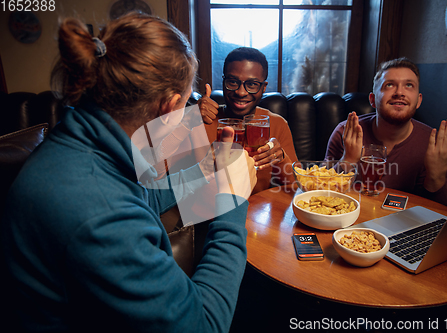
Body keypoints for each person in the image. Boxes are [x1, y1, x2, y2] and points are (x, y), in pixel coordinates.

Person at [1, 13, 256, 332]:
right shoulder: (97, 215)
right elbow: (203, 325)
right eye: (186, 105)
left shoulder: (82, 142)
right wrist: (233, 198)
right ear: (169, 107)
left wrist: (207, 173)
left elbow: (143, 193)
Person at [325, 57, 447, 207]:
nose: (399, 92)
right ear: (372, 100)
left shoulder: (432, 144)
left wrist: (436, 177)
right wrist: (348, 161)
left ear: (418, 101)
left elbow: (439, 216)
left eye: (409, 85)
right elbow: (321, 195)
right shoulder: (345, 132)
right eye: (390, 85)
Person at [197, 47, 298, 194]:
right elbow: (164, 182)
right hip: (209, 212)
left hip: (258, 213)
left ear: (263, 88)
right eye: (232, 82)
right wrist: (189, 118)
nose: (241, 92)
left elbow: (298, 185)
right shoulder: (202, 118)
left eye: (252, 84)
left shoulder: (277, 124)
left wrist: (282, 158)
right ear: (223, 81)